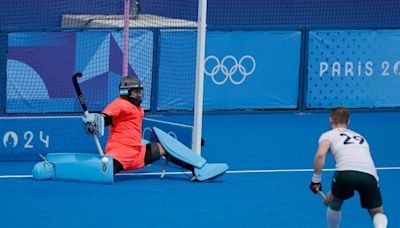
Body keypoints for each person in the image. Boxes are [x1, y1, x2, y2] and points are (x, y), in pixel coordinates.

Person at [83, 76, 195, 175]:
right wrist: (95, 122)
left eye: (139, 91)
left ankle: (194, 169)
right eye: (136, 91)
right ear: (126, 92)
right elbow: (106, 117)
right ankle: (89, 171)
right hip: (121, 152)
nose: (139, 94)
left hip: (137, 153)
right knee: (104, 172)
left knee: (163, 148)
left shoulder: (137, 108)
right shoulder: (119, 104)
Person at [309, 107, 388, 228]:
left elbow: (320, 155)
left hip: (344, 175)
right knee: (377, 212)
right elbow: (357, 167)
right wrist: (333, 192)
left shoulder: (328, 135)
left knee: (335, 203)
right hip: (369, 176)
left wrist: (316, 180)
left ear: (330, 120)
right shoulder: (361, 137)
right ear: (348, 121)